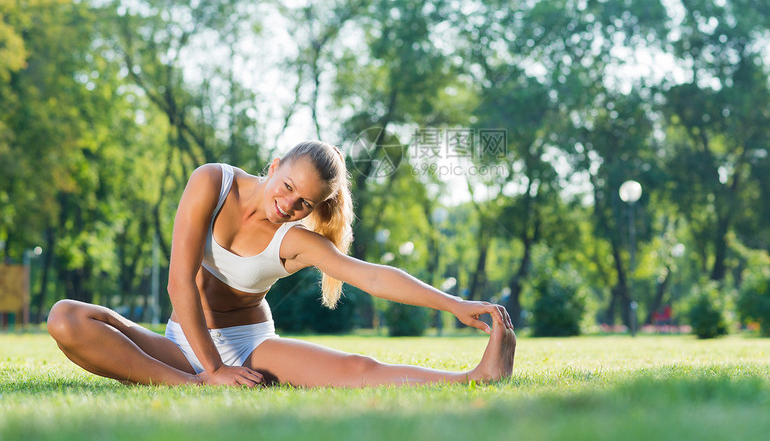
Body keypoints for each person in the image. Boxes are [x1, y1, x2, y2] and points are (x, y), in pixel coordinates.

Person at [47, 140, 516, 387]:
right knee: (67, 317)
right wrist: (210, 371)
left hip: (250, 347)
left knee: (357, 369)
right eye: (288, 186)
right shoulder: (212, 182)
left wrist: (453, 304)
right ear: (273, 166)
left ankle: (475, 377)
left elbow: (370, 276)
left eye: (304, 203)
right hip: (181, 343)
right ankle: (191, 385)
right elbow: (179, 284)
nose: (288, 205)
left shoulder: (295, 239)